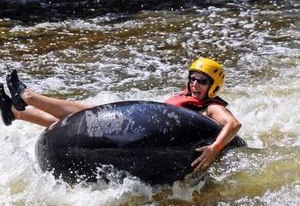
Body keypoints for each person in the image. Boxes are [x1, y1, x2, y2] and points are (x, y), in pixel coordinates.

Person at [0, 57, 241, 171]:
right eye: (193, 79)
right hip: (149, 133)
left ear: (213, 86)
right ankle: (16, 111)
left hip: (166, 145)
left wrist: (215, 148)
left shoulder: (211, 107)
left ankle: (27, 99)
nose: (195, 84)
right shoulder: (188, 100)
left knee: (90, 113)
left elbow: (233, 123)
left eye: (202, 81)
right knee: (80, 120)